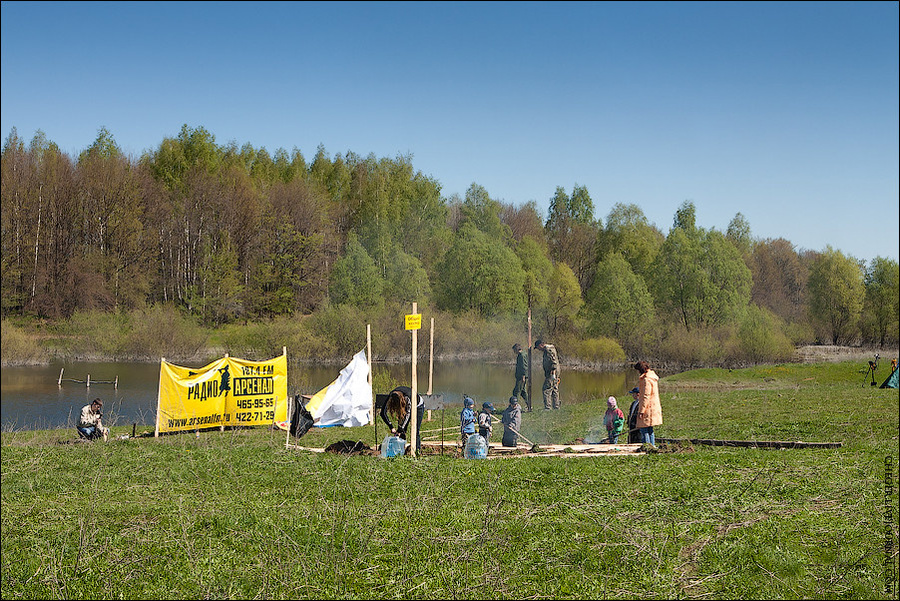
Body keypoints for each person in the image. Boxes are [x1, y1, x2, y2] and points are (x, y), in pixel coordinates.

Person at [380, 385, 425, 452]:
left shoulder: (408, 397)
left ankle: (417, 450)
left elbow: (408, 415)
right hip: (405, 404)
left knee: (415, 430)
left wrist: (401, 429)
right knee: (401, 428)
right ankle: (401, 449)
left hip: (418, 406)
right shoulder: (391, 395)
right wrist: (391, 427)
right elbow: (382, 413)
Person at [634, 361, 662, 446]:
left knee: (644, 429)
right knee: (650, 429)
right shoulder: (652, 378)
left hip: (648, 408)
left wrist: (641, 411)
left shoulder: (646, 380)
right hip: (652, 407)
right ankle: (652, 446)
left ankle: (647, 447)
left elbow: (646, 396)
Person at [535, 339, 560, 410]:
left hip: (551, 372)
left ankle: (548, 407)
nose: (538, 350)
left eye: (538, 348)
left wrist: (553, 373)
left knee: (546, 389)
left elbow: (553, 361)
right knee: (554, 388)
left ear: (540, 345)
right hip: (554, 371)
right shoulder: (550, 348)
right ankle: (556, 406)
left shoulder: (548, 350)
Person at [511, 343, 530, 411]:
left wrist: (523, 376)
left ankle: (514, 406)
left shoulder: (522, 355)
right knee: (523, 392)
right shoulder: (521, 355)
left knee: (517, 391)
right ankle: (529, 405)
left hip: (522, 377)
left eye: (514, 350)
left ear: (516, 349)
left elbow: (524, 366)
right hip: (520, 376)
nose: (514, 352)